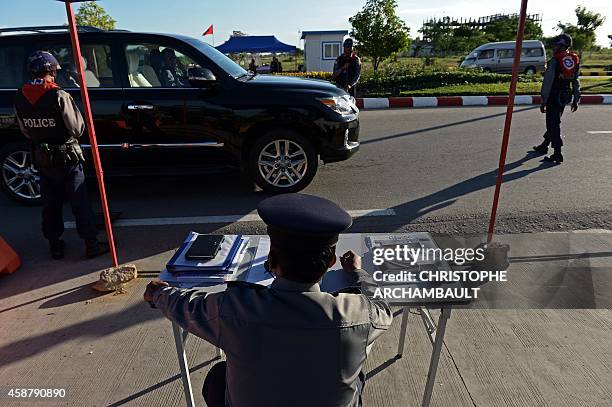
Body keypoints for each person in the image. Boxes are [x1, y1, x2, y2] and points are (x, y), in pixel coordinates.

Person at [144, 193, 393, 407]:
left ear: (272, 262)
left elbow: (186, 307)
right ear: (331, 262)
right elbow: (383, 308)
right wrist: (358, 273)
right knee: (355, 374)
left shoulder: (233, 308)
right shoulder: (359, 315)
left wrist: (158, 294)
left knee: (218, 377)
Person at [14, 51, 109, 259]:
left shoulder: (19, 96)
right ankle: (91, 243)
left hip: (43, 159)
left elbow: (25, 130)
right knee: (79, 201)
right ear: (51, 71)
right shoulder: (59, 95)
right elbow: (77, 129)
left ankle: (54, 246)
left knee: (50, 204)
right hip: (67, 159)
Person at [533, 34, 580, 164]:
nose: (553, 47)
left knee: (552, 123)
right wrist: (576, 99)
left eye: (555, 45)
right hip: (565, 96)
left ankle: (557, 153)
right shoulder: (574, 59)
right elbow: (576, 81)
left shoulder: (555, 61)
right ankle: (544, 145)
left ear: (561, 46)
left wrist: (543, 100)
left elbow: (547, 82)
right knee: (555, 121)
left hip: (554, 96)